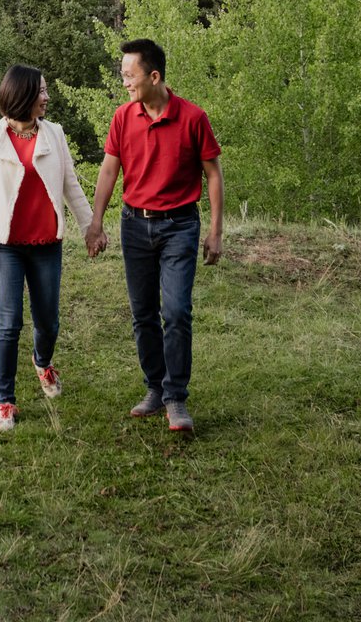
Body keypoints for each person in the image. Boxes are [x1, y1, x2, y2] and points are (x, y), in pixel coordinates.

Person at [85, 37, 223, 432]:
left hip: (180, 226)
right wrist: (96, 222)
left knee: (176, 312)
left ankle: (176, 398)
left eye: (130, 75)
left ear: (155, 76)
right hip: (134, 226)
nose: (125, 82)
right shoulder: (122, 117)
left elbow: (213, 174)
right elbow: (109, 170)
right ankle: (154, 388)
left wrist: (215, 231)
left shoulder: (194, 118)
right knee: (142, 313)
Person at [0, 64, 95, 432]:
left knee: (48, 321)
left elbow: (71, 184)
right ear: (23, 96)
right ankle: (5, 401)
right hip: (5, 245)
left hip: (46, 243)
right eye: (41, 91)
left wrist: (90, 228)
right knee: (9, 325)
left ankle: (43, 362)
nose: (47, 97)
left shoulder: (54, 134)